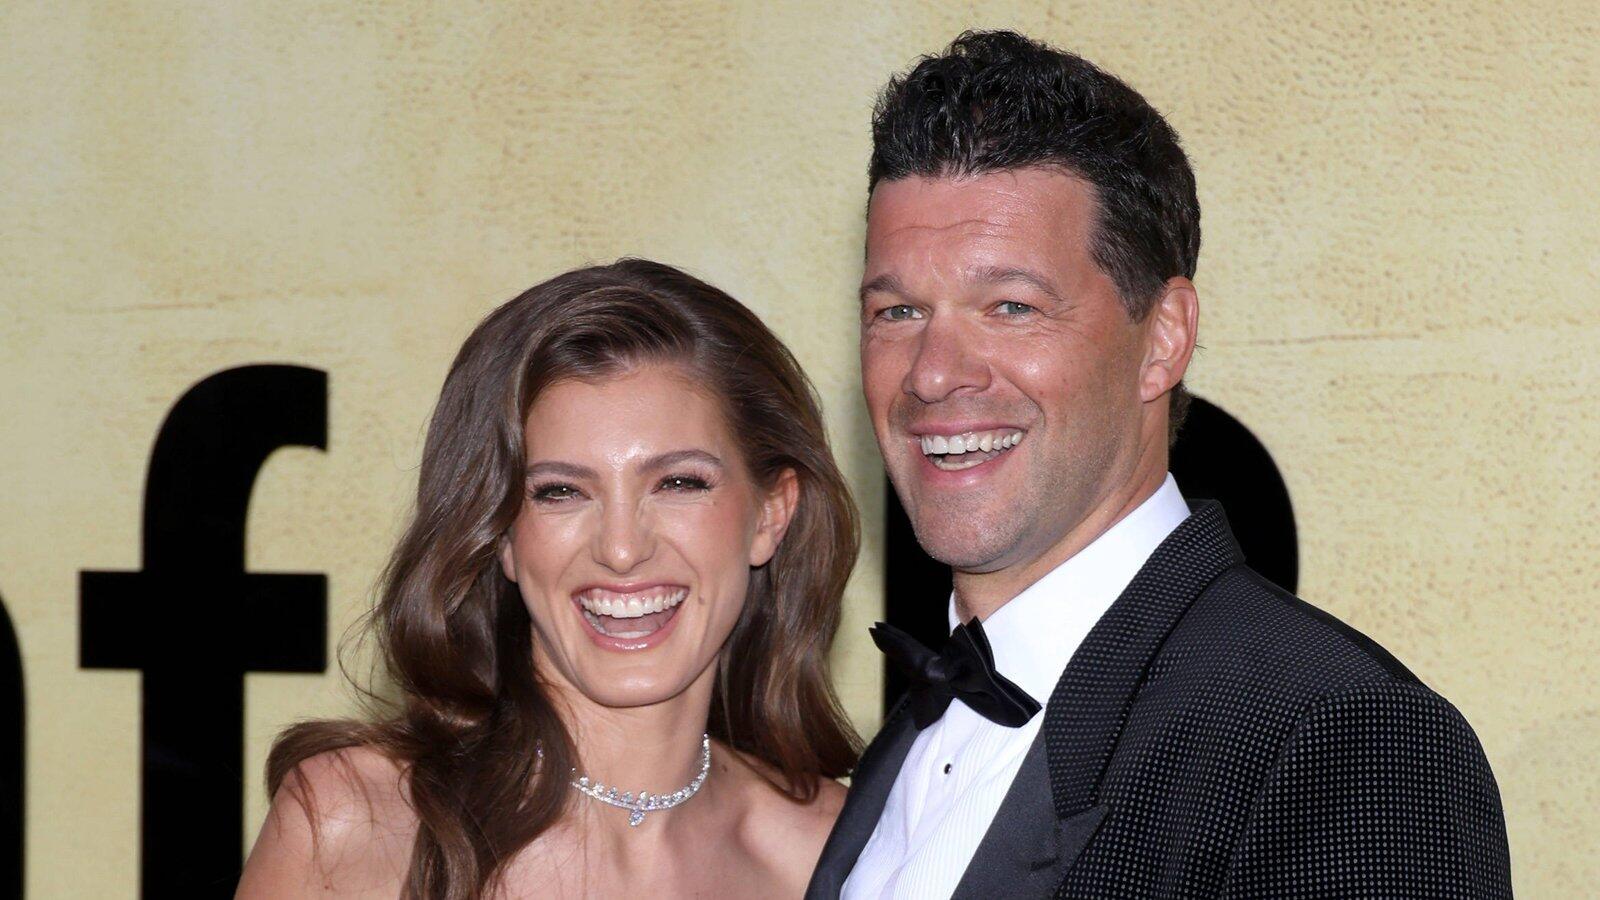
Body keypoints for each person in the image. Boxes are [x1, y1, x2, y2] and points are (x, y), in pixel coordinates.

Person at [809, 31, 1512, 898]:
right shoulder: (911, 739)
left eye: (1011, 307)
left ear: (1164, 339)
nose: (932, 373)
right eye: (898, 312)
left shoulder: (1338, 737)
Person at [238, 259, 860, 898]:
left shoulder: (835, 857)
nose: (622, 549)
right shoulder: (357, 823)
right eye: (560, 492)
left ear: (771, 514)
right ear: (501, 534)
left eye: (678, 483)